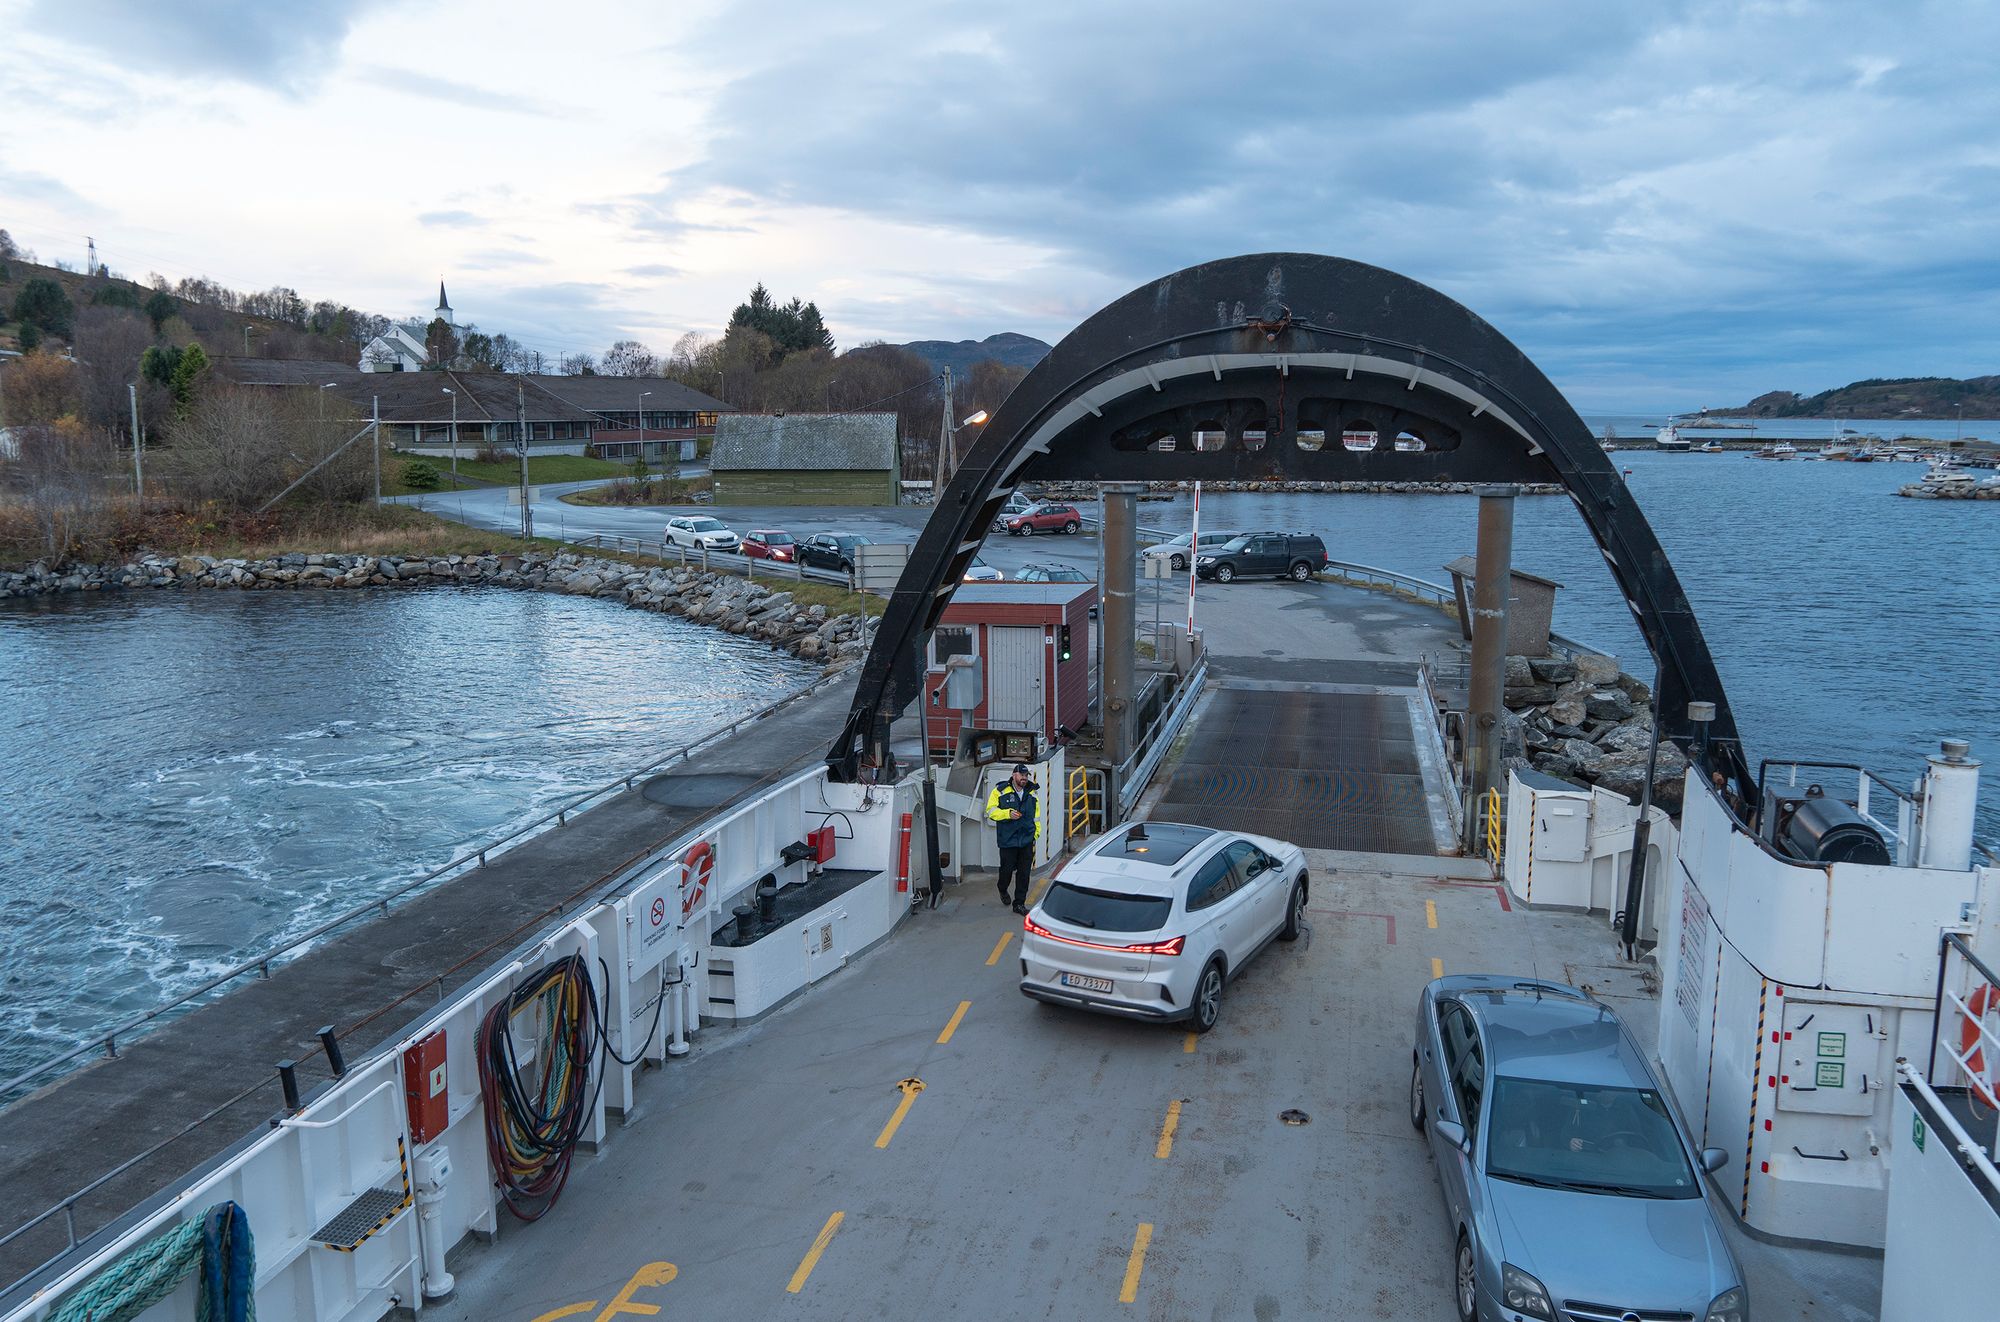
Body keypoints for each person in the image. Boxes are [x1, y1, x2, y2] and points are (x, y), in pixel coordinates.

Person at [986, 764, 1040, 914]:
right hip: (1008, 841)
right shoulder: (1000, 791)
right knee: (1006, 871)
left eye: (1026, 775)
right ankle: (1002, 888)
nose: (1024, 778)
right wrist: (1007, 814)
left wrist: (1035, 835)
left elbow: (1037, 817)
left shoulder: (1032, 792)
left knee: (1024, 874)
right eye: (1021, 775)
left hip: (1026, 840)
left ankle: (1019, 904)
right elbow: (990, 811)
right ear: (1013, 775)